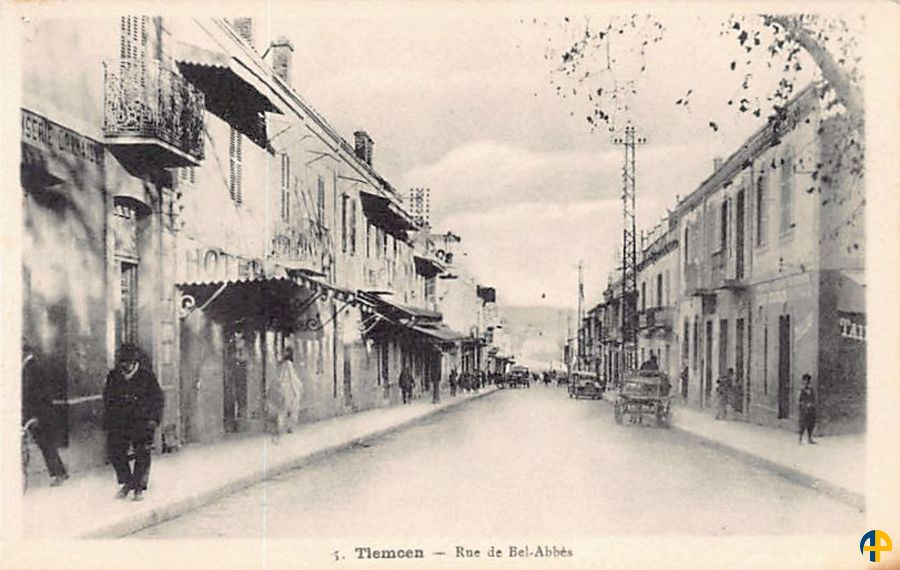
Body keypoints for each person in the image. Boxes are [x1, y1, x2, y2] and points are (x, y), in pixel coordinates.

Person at [102, 344, 163, 501]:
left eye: (128, 363)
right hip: (120, 422)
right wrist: (109, 419)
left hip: (142, 422)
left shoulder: (146, 376)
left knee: (142, 452)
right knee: (115, 453)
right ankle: (127, 481)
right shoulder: (114, 376)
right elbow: (107, 399)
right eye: (122, 363)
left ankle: (138, 488)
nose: (125, 366)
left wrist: (154, 419)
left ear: (134, 362)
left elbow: (157, 399)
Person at [22, 344, 68, 487]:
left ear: (25, 352)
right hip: (36, 413)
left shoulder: (33, 368)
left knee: (45, 444)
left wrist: (35, 416)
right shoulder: (29, 367)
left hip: (38, 414)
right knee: (46, 444)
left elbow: (41, 395)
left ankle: (57, 474)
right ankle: (61, 472)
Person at [268, 347, 302, 442]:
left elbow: (282, 377)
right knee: (290, 409)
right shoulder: (288, 365)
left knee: (282, 410)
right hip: (288, 390)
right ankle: (287, 427)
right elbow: (291, 378)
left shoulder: (283, 365)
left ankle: (280, 428)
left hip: (282, 389)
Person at [798, 374, 817, 444]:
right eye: (805, 381)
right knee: (802, 424)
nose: (806, 383)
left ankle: (810, 438)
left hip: (811, 410)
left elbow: (813, 399)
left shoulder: (811, 390)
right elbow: (800, 401)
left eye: (808, 381)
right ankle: (800, 439)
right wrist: (805, 405)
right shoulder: (801, 391)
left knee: (811, 424)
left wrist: (812, 404)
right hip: (804, 411)